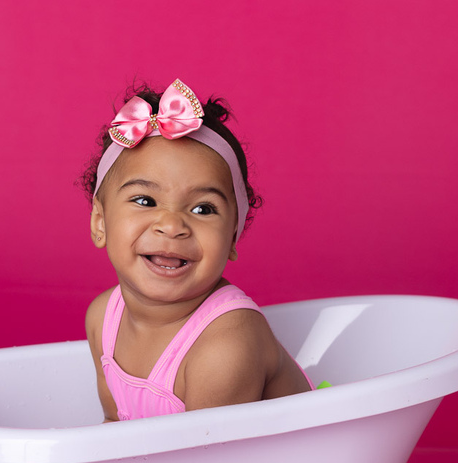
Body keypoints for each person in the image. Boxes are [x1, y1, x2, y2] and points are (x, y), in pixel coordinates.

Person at [79, 79, 311, 422]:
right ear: (100, 222)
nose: (172, 225)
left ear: (232, 238)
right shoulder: (102, 319)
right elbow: (114, 428)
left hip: (300, 456)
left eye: (203, 209)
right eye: (145, 201)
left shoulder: (223, 348)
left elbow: (210, 458)